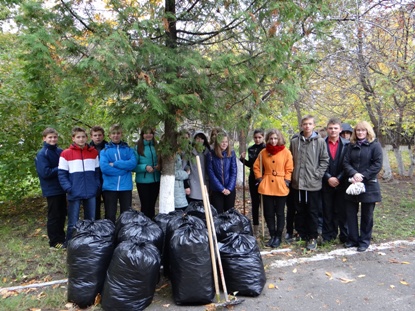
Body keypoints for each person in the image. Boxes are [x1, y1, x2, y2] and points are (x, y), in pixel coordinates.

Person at [290, 115, 329, 251]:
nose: (307, 126)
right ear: (301, 125)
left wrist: (316, 175)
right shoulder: (295, 142)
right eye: (305, 124)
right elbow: (290, 160)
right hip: (297, 183)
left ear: (314, 125)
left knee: (312, 211)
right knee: (299, 210)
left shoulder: (320, 142)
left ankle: (312, 236)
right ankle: (301, 232)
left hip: (313, 184)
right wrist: (293, 176)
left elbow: (324, 160)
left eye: (310, 124)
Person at [343, 121, 382, 252]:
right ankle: (353, 239)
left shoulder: (375, 146)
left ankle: (364, 241)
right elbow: (346, 162)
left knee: (367, 215)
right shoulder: (350, 146)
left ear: (368, 132)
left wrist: (363, 176)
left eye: (363, 130)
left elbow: (377, 164)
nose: (360, 133)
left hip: (369, 185)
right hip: (352, 184)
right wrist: (354, 174)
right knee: (350, 213)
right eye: (358, 130)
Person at [58, 127, 100, 244]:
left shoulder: (93, 152)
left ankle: (88, 243)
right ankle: (70, 244)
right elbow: (62, 174)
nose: (81, 139)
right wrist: (68, 188)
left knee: (90, 220)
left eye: (83, 137)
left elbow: (97, 172)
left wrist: (96, 185)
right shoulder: (65, 154)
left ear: (86, 138)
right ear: (73, 138)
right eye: (78, 137)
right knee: (73, 221)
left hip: (90, 191)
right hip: (74, 191)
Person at [253, 129, 293, 248]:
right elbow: (256, 167)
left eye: (275, 138)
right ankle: (272, 235)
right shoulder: (263, 152)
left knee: (280, 212)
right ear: (268, 140)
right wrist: (260, 179)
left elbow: (289, 168)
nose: (273, 141)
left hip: (280, 184)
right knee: (268, 212)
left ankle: (278, 236)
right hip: (267, 185)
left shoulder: (286, 152)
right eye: (271, 139)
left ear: (279, 138)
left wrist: (286, 180)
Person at [35, 128, 67, 249]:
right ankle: (54, 242)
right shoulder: (42, 154)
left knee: (62, 214)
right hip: (51, 190)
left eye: (54, 137)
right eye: (50, 137)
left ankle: (61, 238)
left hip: (62, 188)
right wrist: (61, 167)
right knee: (54, 215)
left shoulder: (60, 151)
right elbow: (45, 173)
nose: (53, 139)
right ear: (44, 138)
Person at [100, 124, 137, 223]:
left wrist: (116, 163)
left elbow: (133, 164)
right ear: (109, 135)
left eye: (118, 133)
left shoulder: (128, 149)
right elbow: (105, 168)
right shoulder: (104, 151)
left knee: (126, 215)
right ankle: (110, 235)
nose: (116, 135)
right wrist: (124, 170)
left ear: (121, 134)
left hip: (125, 187)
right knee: (110, 214)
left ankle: (124, 234)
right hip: (110, 187)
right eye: (113, 133)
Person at [321, 118, 350, 243]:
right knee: (327, 210)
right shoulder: (320, 143)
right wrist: (328, 177)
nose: (333, 130)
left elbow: (348, 163)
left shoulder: (347, 144)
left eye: (335, 128)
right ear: (327, 129)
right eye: (330, 128)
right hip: (325, 182)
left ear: (340, 129)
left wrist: (339, 178)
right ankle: (328, 235)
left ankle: (344, 236)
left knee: (342, 210)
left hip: (342, 182)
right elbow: (317, 163)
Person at [239, 129, 266, 236]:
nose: (257, 139)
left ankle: (267, 225)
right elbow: (251, 164)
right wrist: (242, 159)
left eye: (259, 137)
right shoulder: (251, 149)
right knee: (255, 202)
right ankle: (256, 227)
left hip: (264, 177)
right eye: (255, 137)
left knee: (265, 203)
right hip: (253, 177)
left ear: (263, 137)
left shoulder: (266, 148)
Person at [207, 131, 237, 213]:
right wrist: (221, 189)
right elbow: (211, 173)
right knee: (218, 214)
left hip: (229, 189)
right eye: (222, 142)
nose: (224, 144)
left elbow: (233, 171)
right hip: (217, 190)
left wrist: (229, 188)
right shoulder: (211, 155)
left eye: (226, 142)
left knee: (230, 214)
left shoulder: (231, 154)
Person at [134, 126, 161, 219]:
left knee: (152, 206)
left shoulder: (157, 147)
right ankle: (144, 226)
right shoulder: (138, 147)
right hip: (143, 182)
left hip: (155, 180)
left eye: (150, 133)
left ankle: (152, 227)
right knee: (145, 206)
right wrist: (145, 167)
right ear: (142, 135)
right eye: (146, 133)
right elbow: (134, 166)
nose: (148, 135)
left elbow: (162, 161)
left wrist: (159, 166)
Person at [89, 126, 108, 219]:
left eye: (100, 135)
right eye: (95, 135)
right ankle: (96, 228)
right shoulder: (87, 149)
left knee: (109, 207)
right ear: (91, 137)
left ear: (103, 136)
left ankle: (108, 228)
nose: (98, 137)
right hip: (93, 181)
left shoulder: (108, 147)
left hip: (107, 180)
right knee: (95, 207)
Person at [186, 131, 211, 202]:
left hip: (204, 181)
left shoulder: (208, 152)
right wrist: (187, 168)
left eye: (202, 138)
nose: (200, 140)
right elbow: (184, 165)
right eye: (197, 138)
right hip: (193, 181)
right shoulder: (190, 151)